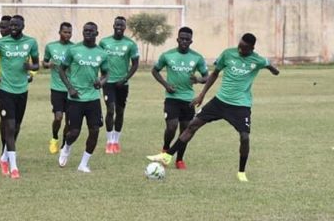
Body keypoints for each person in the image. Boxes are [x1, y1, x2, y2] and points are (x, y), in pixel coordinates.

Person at [147, 33, 280, 182]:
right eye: (239, 46)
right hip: (220, 101)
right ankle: (168, 155)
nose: (240, 50)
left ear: (252, 48)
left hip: (241, 105)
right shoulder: (228, 54)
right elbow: (215, 73)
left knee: (244, 137)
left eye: (244, 48)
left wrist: (273, 69)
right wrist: (202, 95)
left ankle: (241, 172)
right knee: (192, 125)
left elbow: (271, 66)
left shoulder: (258, 60)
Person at [0, 14, 39, 179]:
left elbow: (37, 64)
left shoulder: (31, 42)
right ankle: (13, 167)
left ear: (23, 26)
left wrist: (30, 66)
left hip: (22, 90)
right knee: (9, 125)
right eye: (12, 25)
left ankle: (3, 158)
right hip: (5, 90)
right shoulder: (0, 43)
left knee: (16, 126)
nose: (13, 27)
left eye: (16, 25)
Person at [150, 27, 208, 169]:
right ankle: (165, 149)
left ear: (191, 41)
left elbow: (207, 77)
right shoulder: (167, 55)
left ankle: (179, 160)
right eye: (181, 38)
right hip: (172, 97)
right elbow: (155, 70)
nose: (184, 41)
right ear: (177, 39)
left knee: (185, 130)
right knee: (171, 126)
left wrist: (198, 80)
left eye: (187, 39)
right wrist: (166, 85)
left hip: (188, 99)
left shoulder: (197, 57)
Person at [56, 22, 108, 173]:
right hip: (75, 99)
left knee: (95, 131)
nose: (88, 33)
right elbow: (61, 69)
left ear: (97, 33)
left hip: (93, 99)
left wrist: (101, 82)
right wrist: (70, 88)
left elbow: (105, 73)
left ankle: (83, 164)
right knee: (74, 132)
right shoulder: (73, 50)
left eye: (91, 31)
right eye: (85, 30)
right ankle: (66, 147)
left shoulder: (102, 53)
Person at [99, 16, 139, 154]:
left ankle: (116, 141)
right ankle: (109, 141)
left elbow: (135, 64)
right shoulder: (104, 42)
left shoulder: (130, 44)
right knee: (110, 110)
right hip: (108, 82)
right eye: (117, 25)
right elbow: (98, 60)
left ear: (125, 27)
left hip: (122, 84)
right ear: (113, 25)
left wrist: (125, 78)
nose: (119, 27)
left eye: (122, 25)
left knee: (120, 111)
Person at [42, 22, 74, 154]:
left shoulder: (75, 48)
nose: (67, 34)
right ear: (59, 32)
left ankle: (63, 145)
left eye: (69, 32)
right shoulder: (51, 47)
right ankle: (54, 137)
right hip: (56, 88)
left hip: (71, 88)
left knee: (69, 121)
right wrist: (48, 64)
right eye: (65, 32)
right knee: (58, 117)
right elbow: (43, 62)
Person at [0, 15, 12, 159]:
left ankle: (9, 149)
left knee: (15, 122)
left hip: (19, 88)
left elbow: (30, 62)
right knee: (4, 119)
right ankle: (4, 147)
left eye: (4, 27)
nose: (2, 30)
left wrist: (30, 74)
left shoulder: (21, 44)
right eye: (0, 27)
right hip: (3, 87)